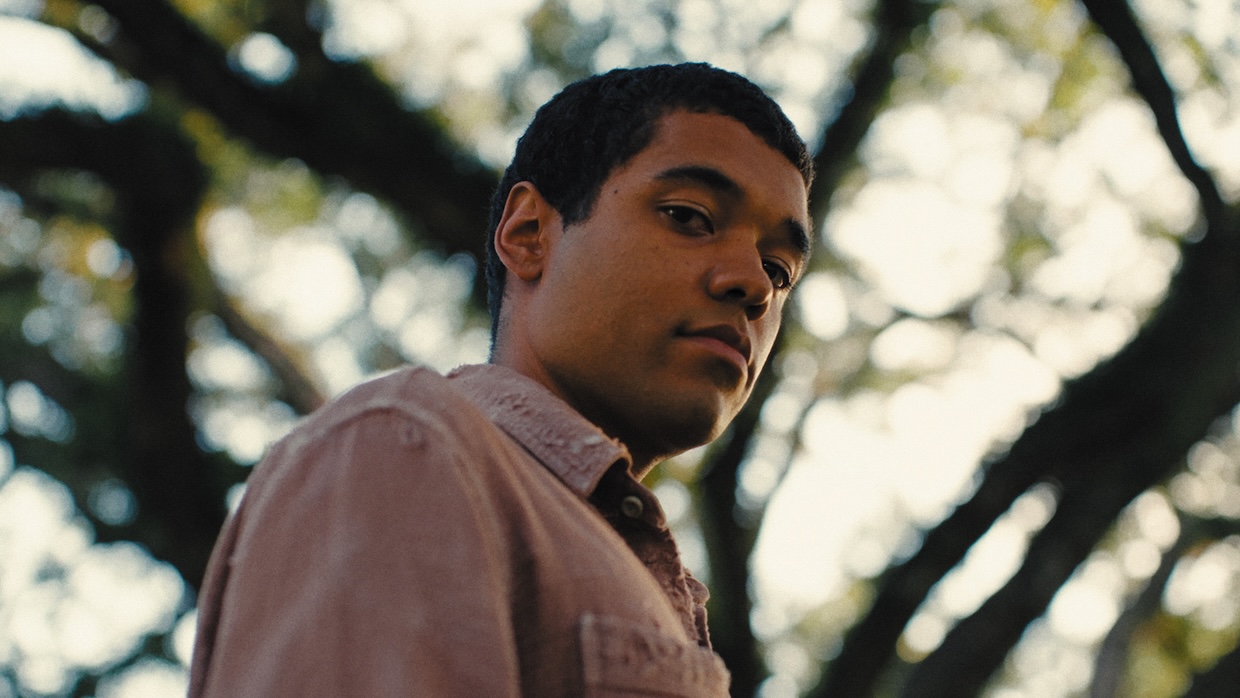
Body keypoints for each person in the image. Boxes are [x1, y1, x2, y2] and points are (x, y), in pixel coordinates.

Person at [188, 62, 813, 697]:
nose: (755, 285)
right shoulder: (405, 449)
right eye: (689, 216)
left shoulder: (629, 563)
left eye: (779, 268)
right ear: (528, 235)